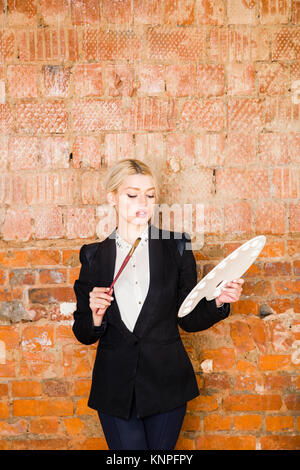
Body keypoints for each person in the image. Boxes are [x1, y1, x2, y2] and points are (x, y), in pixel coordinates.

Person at [72, 158, 244, 450]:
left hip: (167, 382)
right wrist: (96, 316)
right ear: (112, 197)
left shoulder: (177, 247)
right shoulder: (92, 256)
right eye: (132, 194)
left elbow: (187, 318)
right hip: (115, 386)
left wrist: (218, 301)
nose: (143, 202)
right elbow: (84, 333)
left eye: (150, 195)